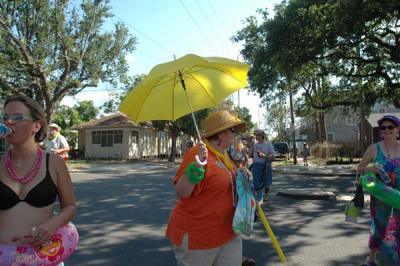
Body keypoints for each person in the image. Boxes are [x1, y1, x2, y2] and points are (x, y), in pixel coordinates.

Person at [0, 95, 78, 265]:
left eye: (18, 118)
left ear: (36, 125)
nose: (9, 122)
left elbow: (70, 206)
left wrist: (52, 225)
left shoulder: (54, 163)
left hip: (44, 256)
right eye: (5, 118)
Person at [166, 110, 246, 266]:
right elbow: (182, 192)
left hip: (229, 233)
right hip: (199, 237)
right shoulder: (199, 153)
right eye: (233, 130)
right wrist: (196, 168)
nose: (235, 134)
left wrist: (241, 176)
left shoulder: (224, 155)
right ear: (221, 134)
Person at [357, 115, 400, 266]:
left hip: (399, 195)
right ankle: (371, 258)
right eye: (383, 127)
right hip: (381, 195)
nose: (386, 130)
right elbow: (360, 168)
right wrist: (370, 168)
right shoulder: (374, 148)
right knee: (379, 226)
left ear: (398, 130)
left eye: (390, 127)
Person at [252, 129, 275, 204]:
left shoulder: (268, 144)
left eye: (257, 135)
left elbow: (273, 157)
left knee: (267, 182)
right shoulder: (255, 144)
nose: (255, 136)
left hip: (266, 165)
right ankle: (259, 198)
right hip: (256, 165)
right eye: (255, 135)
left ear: (262, 136)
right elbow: (251, 155)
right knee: (256, 182)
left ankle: (266, 194)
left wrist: (264, 155)